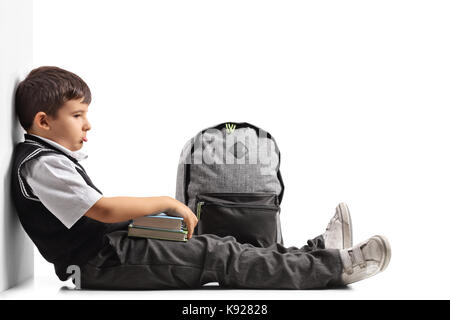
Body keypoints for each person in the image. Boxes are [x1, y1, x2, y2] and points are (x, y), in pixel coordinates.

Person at [11, 66, 391, 290]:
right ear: (44, 121)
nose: (88, 124)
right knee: (219, 255)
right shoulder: (41, 164)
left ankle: (319, 252)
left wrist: (156, 220)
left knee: (217, 242)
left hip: (110, 248)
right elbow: (102, 208)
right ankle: (336, 268)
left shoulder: (49, 158)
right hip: (99, 264)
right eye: (77, 115)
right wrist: (167, 202)